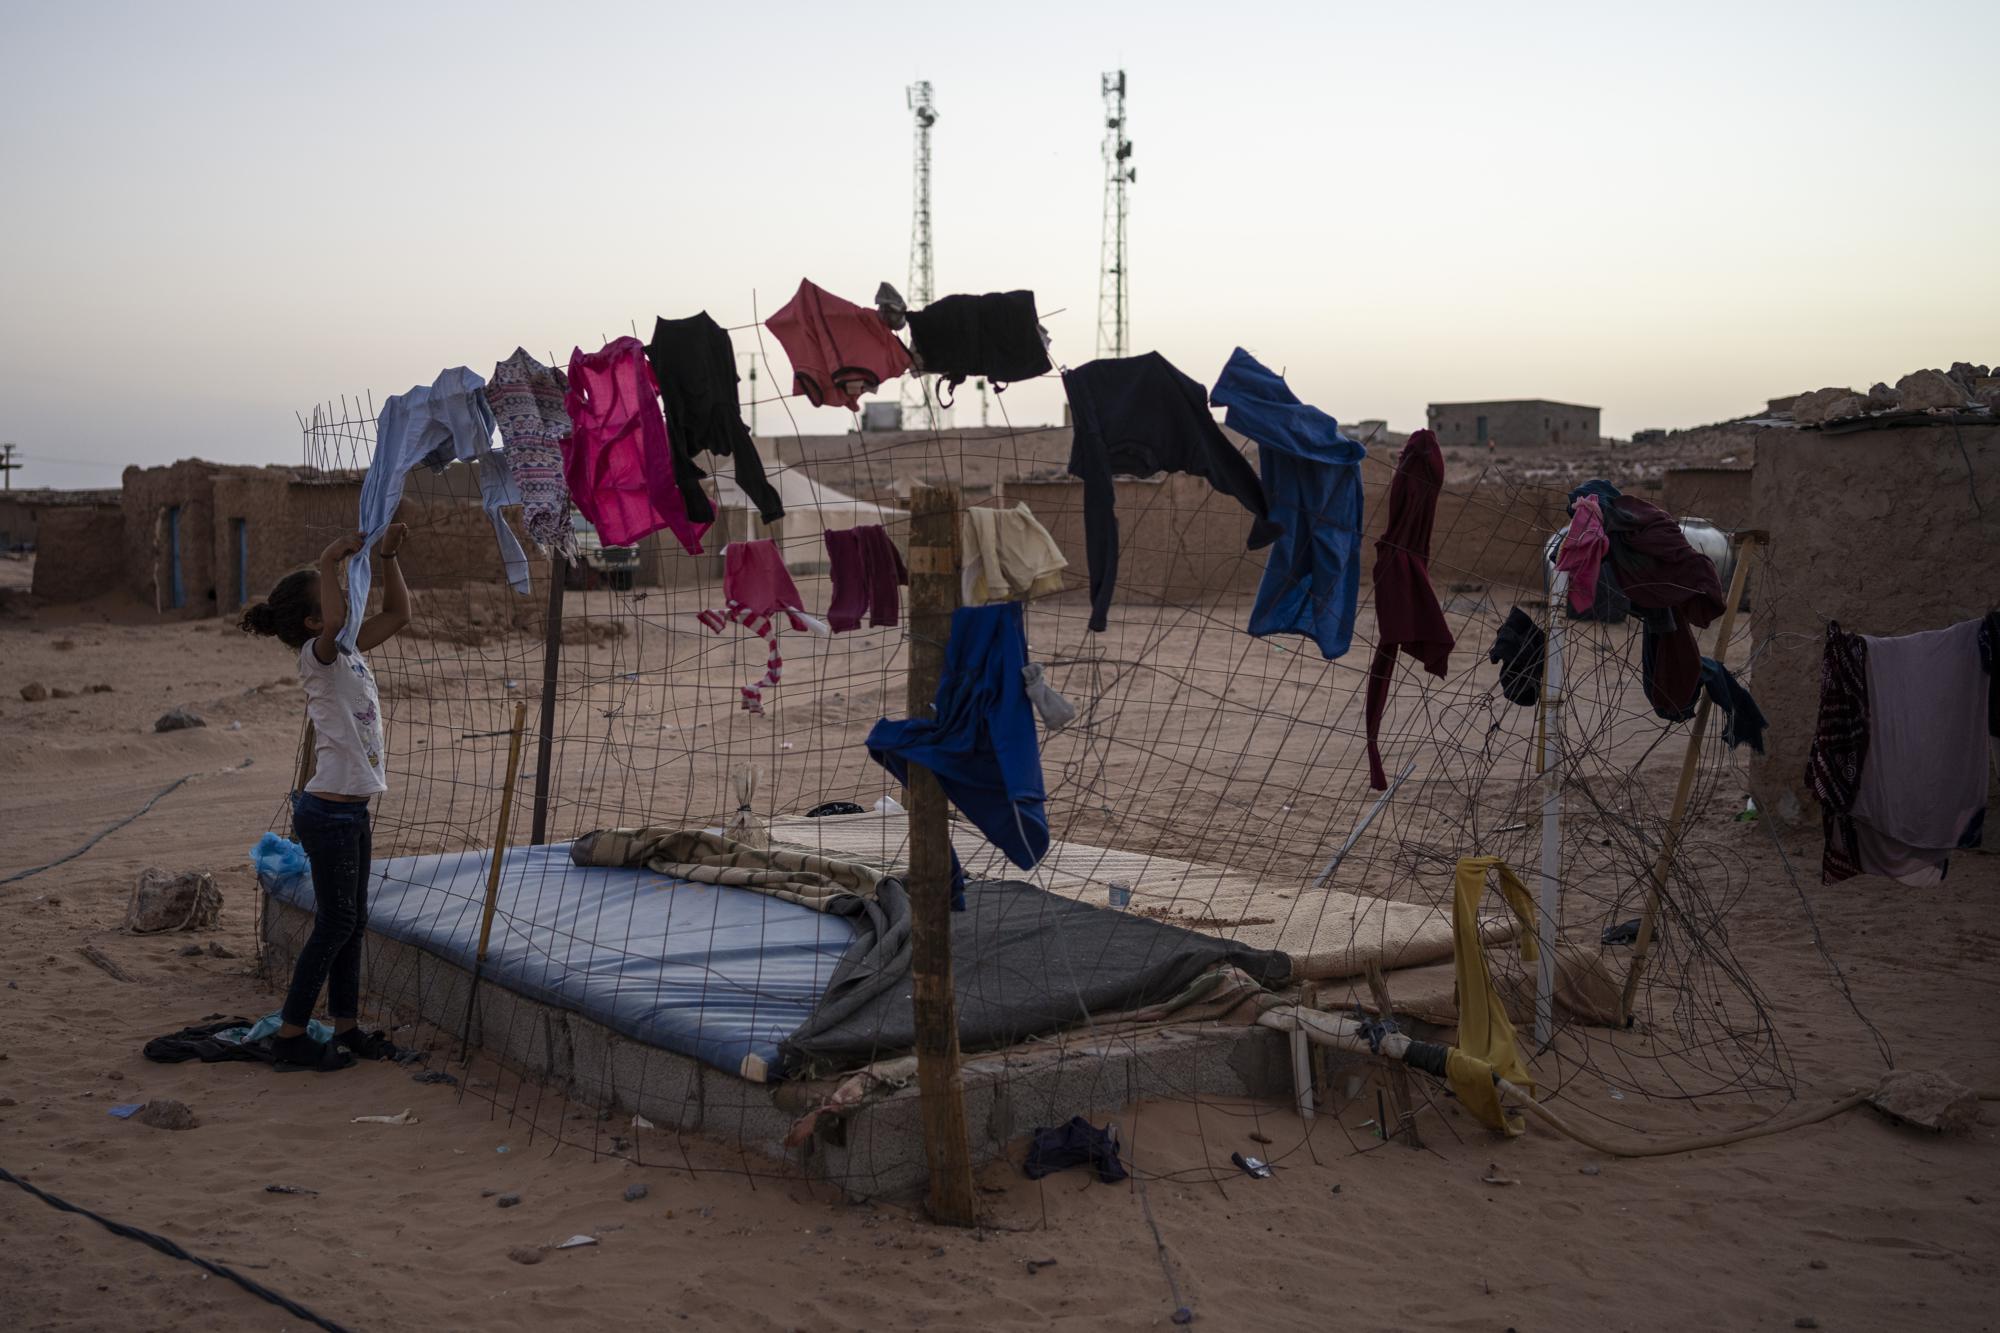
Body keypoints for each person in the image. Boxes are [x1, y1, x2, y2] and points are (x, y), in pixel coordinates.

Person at [238, 523, 412, 1070]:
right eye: (333, 592)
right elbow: (338, 620)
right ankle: (291, 1035)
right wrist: (328, 558)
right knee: (336, 924)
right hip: (329, 814)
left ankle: (347, 1027)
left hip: (351, 811)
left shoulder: (351, 650)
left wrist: (386, 559)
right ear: (314, 622)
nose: (346, 596)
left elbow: (400, 615)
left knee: (353, 921)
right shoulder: (321, 655)